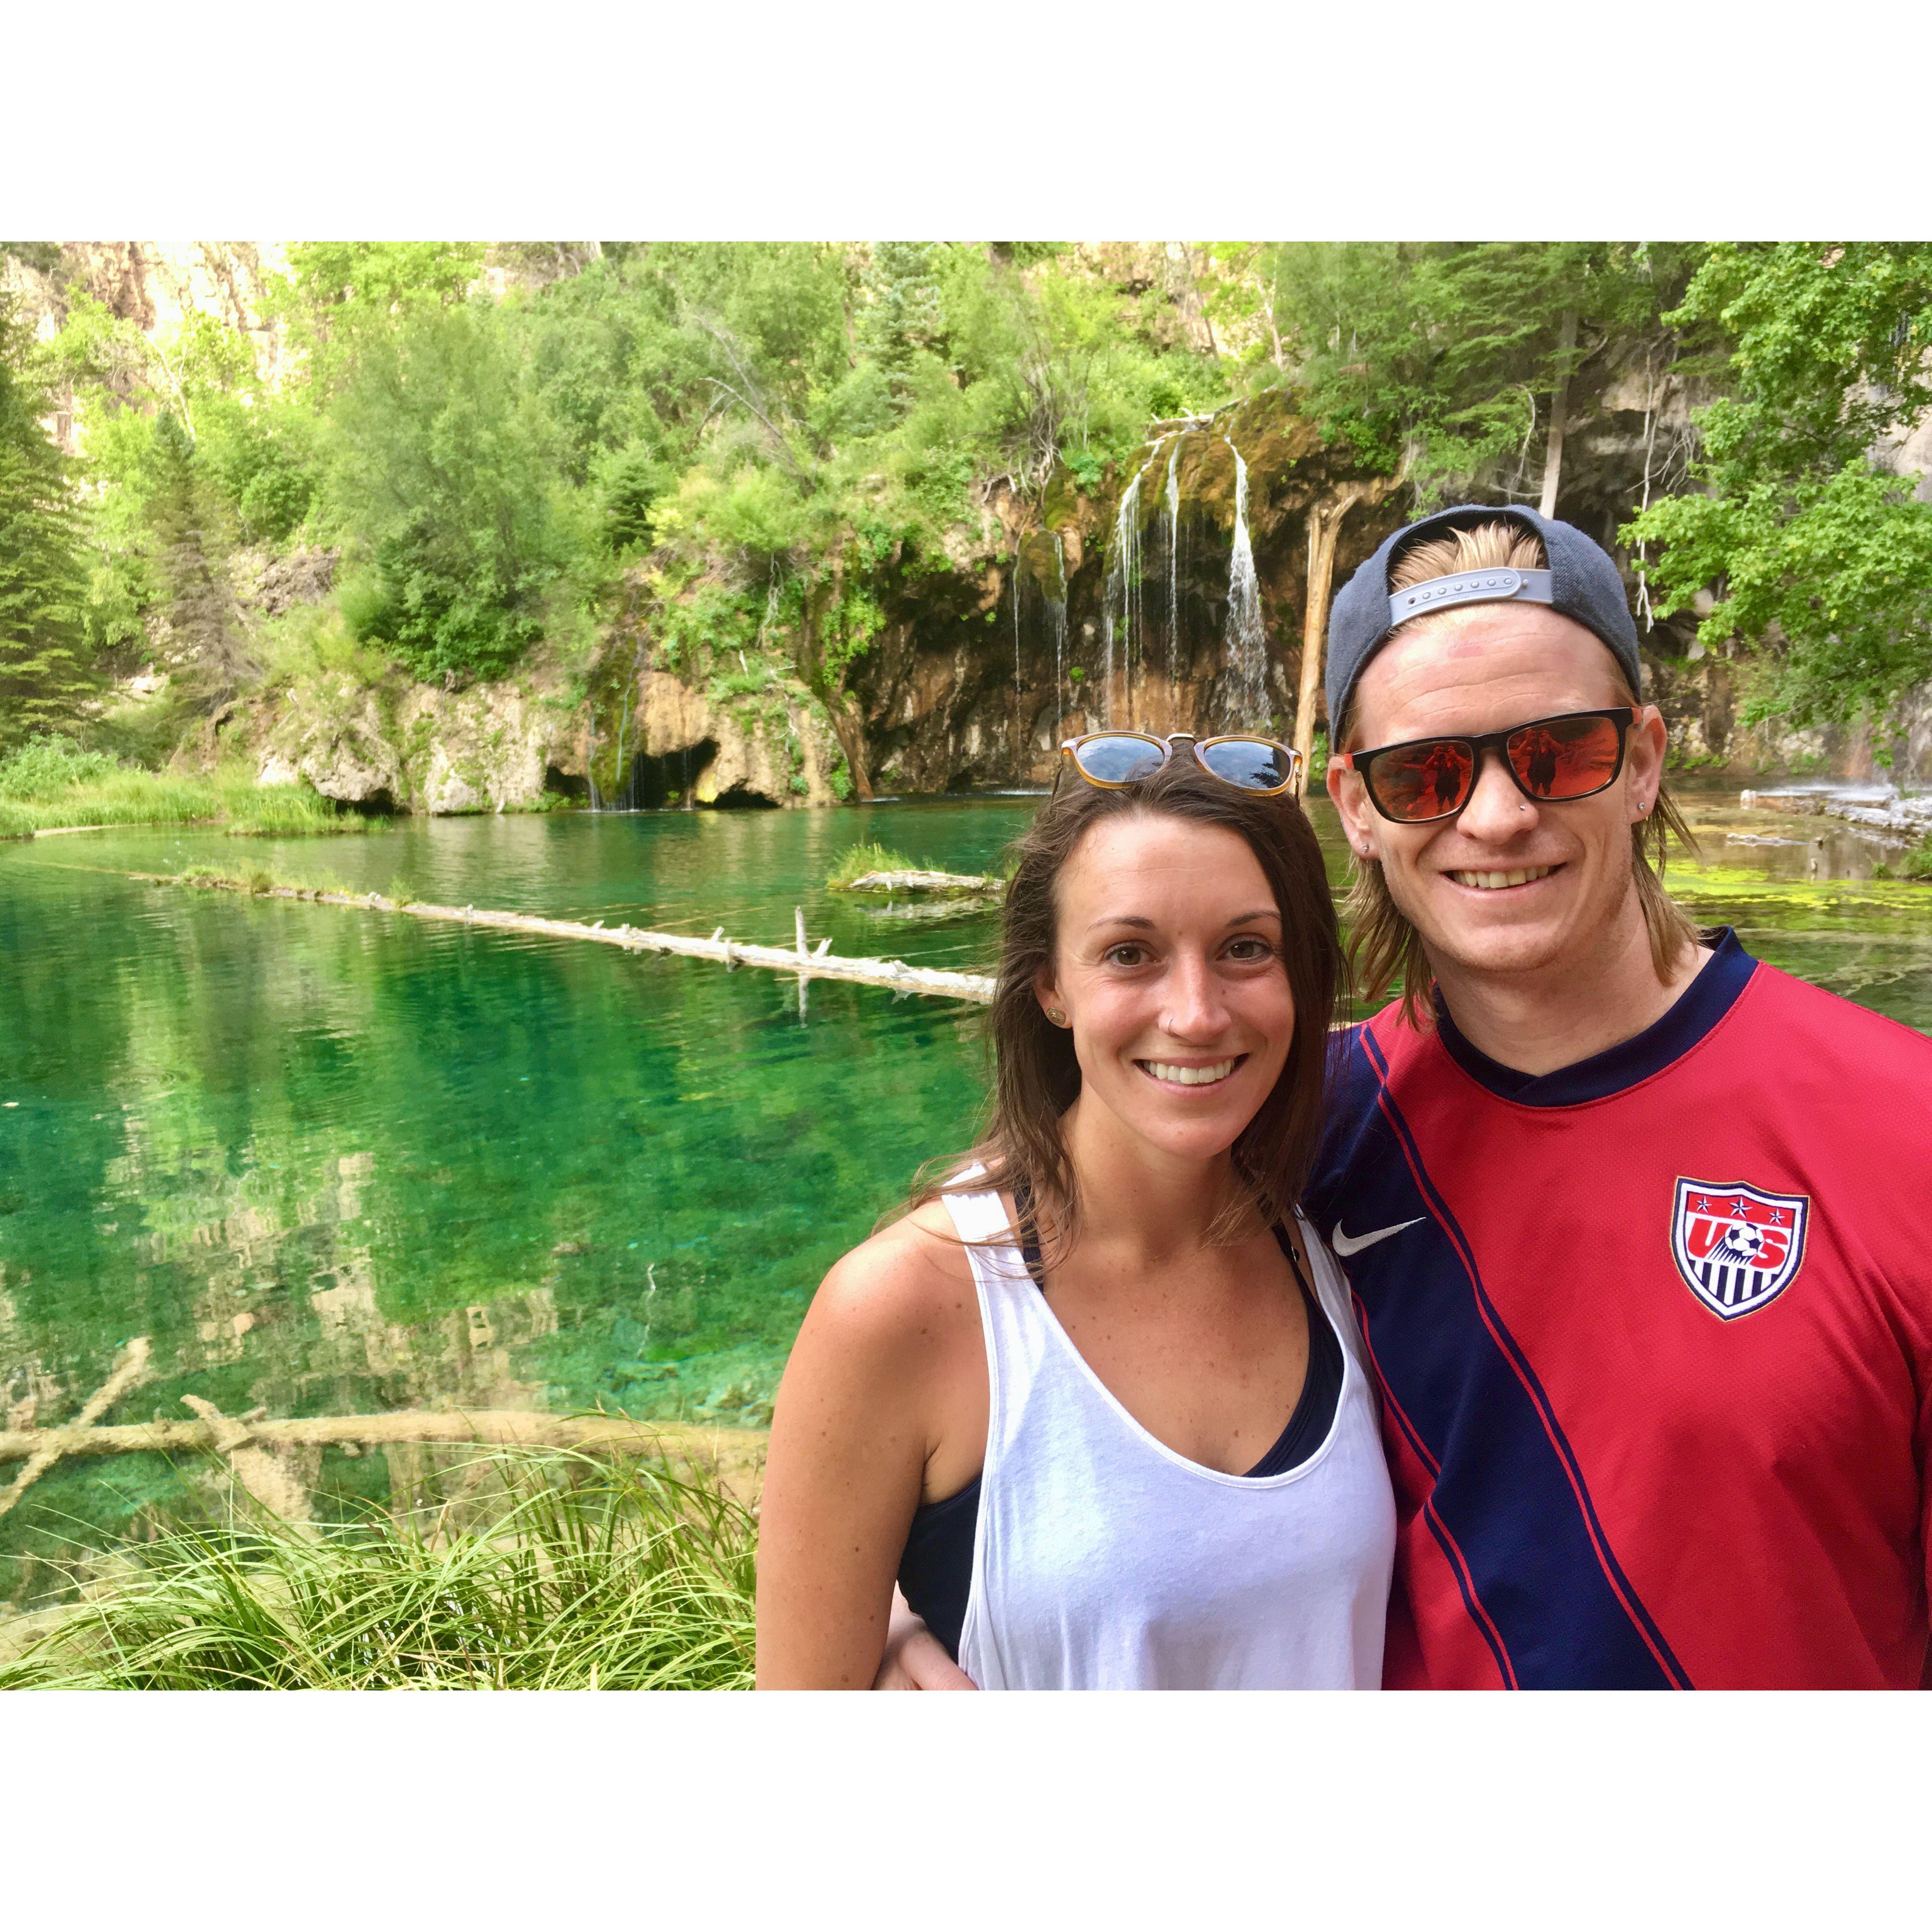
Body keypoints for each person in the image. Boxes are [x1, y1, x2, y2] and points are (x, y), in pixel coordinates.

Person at [880, 505, 1932, 1690]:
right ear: (1358, 809)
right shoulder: (1288, 1131)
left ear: (1642, 763)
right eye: (1427, 772)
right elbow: (974, 1323)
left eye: (1561, 752)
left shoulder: (1901, 1132)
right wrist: (881, 1622)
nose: (1497, 816)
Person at [755, 735, 1396, 1689]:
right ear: (1051, 984)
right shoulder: (905, 1306)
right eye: (1129, 954)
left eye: (1246, 949)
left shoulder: (1340, 1238)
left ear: (1300, 977)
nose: (1196, 1012)